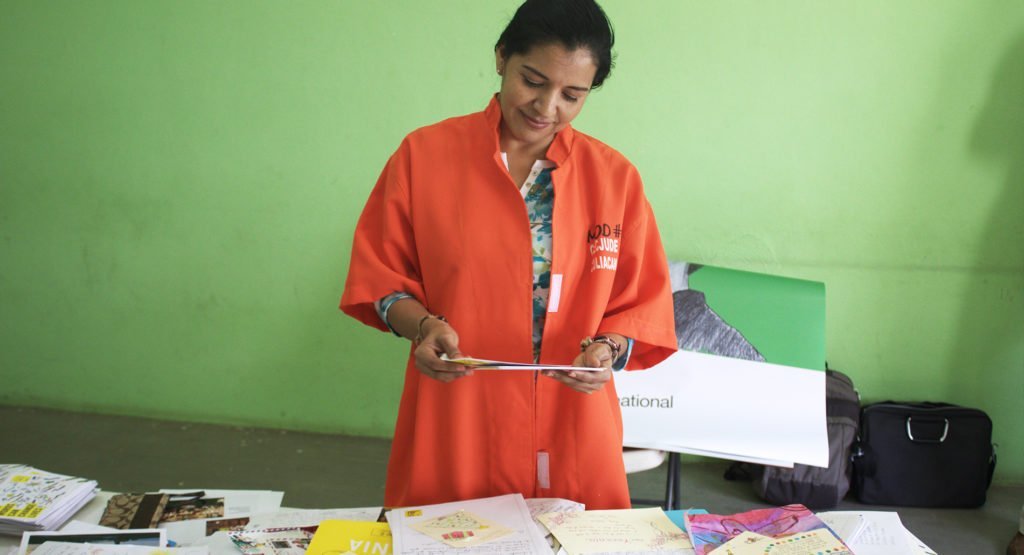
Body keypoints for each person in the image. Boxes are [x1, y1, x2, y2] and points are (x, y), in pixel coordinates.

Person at [340, 0, 677, 510]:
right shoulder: (424, 157)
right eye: (533, 80)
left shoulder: (614, 179)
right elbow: (382, 279)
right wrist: (423, 328)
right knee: (448, 534)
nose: (547, 107)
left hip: (574, 421)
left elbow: (640, 304)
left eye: (572, 94)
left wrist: (606, 352)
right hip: (459, 415)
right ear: (502, 58)